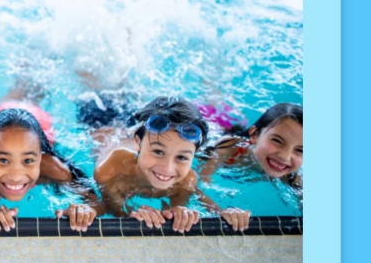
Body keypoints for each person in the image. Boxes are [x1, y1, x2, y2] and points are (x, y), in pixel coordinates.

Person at [91, 97, 252, 232]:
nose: (167, 168)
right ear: (138, 143)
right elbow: (115, 211)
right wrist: (134, 214)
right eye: (158, 152)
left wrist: (226, 213)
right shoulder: (109, 170)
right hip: (101, 118)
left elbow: (174, 212)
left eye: (181, 157)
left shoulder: (186, 180)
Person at [0, 108, 100, 232]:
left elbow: (96, 202)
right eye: (3, 160)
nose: (16, 176)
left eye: (28, 161)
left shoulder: (54, 169)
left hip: (42, 121)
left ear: (40, 159)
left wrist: (84, 212)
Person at [199, 103, 303, 188]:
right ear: (255, 134)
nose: (285, 156)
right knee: (212, 106)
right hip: (214, 124)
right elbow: (200, 183)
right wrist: (221, 211)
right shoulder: (230, 149)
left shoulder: (291, 176)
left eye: (300, 150)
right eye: (277, 141)